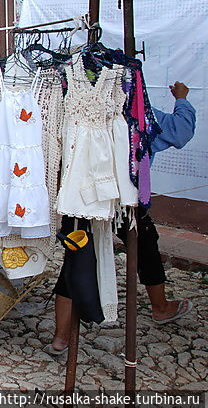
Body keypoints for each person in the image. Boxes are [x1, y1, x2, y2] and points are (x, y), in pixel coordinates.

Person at [50, 81, 197, 352]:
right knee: (144, 246)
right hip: (124, 197)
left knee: (76, 255)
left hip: (80, 194)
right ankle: (160, 306)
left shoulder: (69, 109)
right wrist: (182, 99)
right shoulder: (135, 112)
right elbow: (180, 131)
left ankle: (61, 335)